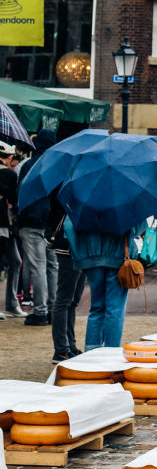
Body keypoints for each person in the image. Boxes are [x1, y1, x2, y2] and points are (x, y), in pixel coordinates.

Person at [65, 217, 144, 350]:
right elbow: (138, 226)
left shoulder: (85, 199)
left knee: (96, 308)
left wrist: (80, 251)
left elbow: (68, 226)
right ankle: (110, 352)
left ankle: (91, 353)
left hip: (91, 258)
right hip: (118, 257)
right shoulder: (123, 198)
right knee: (115, 309)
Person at [14, 129, 58, 326]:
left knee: (38, 266)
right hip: (52, 223)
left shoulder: (28, 166)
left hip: (31, 220)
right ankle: (53, 308)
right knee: (52, 265)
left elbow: (20, 194)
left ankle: (40, 311)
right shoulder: (58, 166)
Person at [46, 193, 84, 360]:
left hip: (79, 244)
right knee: (64, 299)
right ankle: (61, 348)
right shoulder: (63, 186)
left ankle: (70, 345)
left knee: (73, 299)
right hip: (68, 245)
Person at [0, 140, 25, 320]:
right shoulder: (8, 174)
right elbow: (15, 198)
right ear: (9, 157)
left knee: (15, 260)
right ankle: (11, 303)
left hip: (4, 223)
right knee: (14, 261)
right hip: (2, 223)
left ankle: (11, 303)